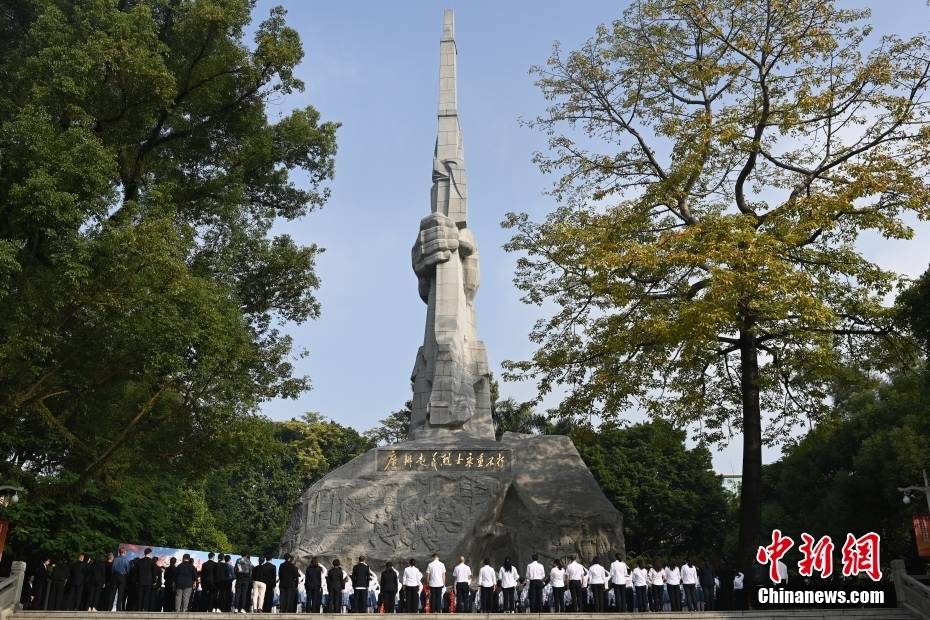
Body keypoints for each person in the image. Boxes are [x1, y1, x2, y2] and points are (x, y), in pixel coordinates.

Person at [135, 548, 156, 612]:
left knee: (140, 595)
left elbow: (137, 572)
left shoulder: (140, 561)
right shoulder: (152, 561)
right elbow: (153, 572)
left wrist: (137, 580)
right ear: (149, 553)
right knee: (147, 596)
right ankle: (145, 608)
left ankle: (139, 608)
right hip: (149, 581)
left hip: (140, 580)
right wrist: (154, 581)